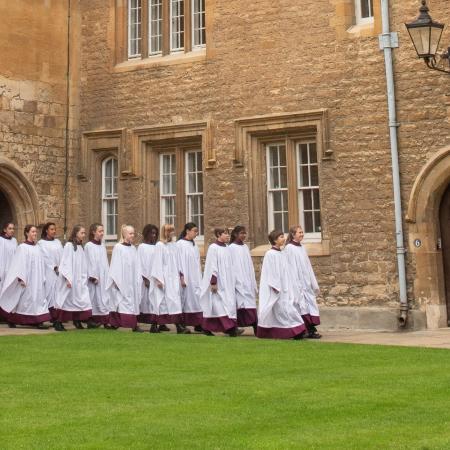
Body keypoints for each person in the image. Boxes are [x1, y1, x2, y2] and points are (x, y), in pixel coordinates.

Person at [257, 229, 306, 340]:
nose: (284, 239)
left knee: (288, 307)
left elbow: (286, 271)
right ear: (274, 240)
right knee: (282, 309)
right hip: (277, 289)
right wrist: (275, 286)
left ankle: (296, 330)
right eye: (280, 237)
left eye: (283, 236)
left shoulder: (282, 253)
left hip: (285, 287)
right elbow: (270, 272)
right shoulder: (270, 254)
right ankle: (294, 331)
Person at [0, 224, 50, 328]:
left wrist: (42, 277)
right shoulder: (22, 247)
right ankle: (19, 320)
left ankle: (36, 320)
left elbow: (41, 264)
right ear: (27, 233)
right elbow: (18, 264)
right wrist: (21, 278)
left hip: (37, 279)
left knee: (38, 299)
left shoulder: (38, 248)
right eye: (32, 232)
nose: (35, 234)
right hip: (27, 279)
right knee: (27, 300)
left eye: (36, 232)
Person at [200, 227, 242, 337]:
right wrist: (213, 282)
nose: (228, 235)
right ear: (218, 234)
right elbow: (212, 265)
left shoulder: (227, 248)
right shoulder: (213, 248)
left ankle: (214, 327)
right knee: (218, 305)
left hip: (227, 282)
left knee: (227, 304)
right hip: (218, 282)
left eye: (228, 233)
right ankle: (230, 329)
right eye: (225, 233)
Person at [284, 225, 321, 339]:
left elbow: (307, 266)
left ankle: (310, 329)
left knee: (309, 305)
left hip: (305, 283)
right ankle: (306, 330)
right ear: (293, 234)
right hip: (297, 283)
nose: (302, 234)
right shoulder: (289, 248)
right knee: (300, 306)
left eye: (302, 232)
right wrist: (297, 284)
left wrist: (312, 281)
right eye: (299, 232)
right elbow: (291, 267)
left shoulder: (302, 247)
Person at [54, 225, 92, 331]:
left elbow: (83, 265)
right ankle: (58, 322)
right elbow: (65, 263)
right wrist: (68, 279)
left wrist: (84, 278)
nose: (84, 235)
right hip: (70, 280)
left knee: (81, 300)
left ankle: (77, 320)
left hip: (79, 280)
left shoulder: (80, 247)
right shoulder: (69, 246)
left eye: (84, 233)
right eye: (82, 233)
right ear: (76, 233)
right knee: (66, 300)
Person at [150, 224, 187, 334]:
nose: (172, 233)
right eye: (169, 231)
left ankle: (179, 326)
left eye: (172, 231)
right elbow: (157, 262)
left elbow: (178, 262)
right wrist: (159, 279)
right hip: (163, 278)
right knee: (161, 302)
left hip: (173, 278)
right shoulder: (160, 245)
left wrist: (181, 276)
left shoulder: (173, 245)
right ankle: (155, 325)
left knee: (175, 302)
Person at [107, 225, 143, 332]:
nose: (132, 235)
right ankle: (128, 324)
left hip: (132, 280)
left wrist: (137, 278)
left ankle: (132, 323)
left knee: (132, 301)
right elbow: (115, 264)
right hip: (122, 280)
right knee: (122, 301)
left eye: (133, 233)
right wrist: (117, 281)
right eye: (130, 233)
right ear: (124, 234)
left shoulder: (133, 248)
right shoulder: (118, 247)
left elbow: (136, 265)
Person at [229, 225, 258, 335]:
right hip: (237, 279)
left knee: (250, 302)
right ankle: (235, 326)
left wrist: (251, 279)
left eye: (245, 233)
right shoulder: (231, 248)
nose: (244, 235)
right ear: (236, 234)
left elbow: (249, 264)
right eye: (241, 233)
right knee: (239, 303)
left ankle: (255, 325)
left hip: (247, 279)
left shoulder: (245, 247)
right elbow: (231, 265)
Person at [177, 222, 204, 332]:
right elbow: (178, 262)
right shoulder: (179, 245)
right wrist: (181, 277)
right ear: (187, 231)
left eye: (197, 231)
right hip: (185, 278)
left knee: (197, 300)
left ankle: (198, 323)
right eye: (194, 231)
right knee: (185, 300)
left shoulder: (194, 245)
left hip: (195, 278)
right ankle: (182, 324)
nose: (196, 233)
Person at [84, 223, 111, 328]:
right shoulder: (89, 246)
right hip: (94, 278)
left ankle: (105, 321)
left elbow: (105, 262)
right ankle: (91, 320)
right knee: (94, 298)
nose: (102, 233)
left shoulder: (102, 245)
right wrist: (92, 276)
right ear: (93, 232)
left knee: (104, 297)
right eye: (100, 231)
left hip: (103, 277)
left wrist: (107, 275)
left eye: (103, 231)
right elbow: (88, 262)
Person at [37, 222, 63, 323]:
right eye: (51, 229)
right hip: (48, 271)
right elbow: (44, 257)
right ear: (46, 230)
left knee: (58, 292)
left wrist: (61, 267)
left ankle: (57, 316)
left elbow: (62, 255)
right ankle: (48, 315)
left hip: (59, 271)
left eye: (55, 229)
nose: (54, 231)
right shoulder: (41, 243)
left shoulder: (57, 242)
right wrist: (54, 266)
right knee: (49, 292)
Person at [137, 224, 159, 332]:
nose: (154, 236)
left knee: (155, 301)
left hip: (155, 278)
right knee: (145, 301)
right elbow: (140, 263)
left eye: (155, 233)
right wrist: (145, 278)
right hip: (146, 278)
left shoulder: (157, 247)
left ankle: (155, 323)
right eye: (152, 233)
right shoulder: (142, 247)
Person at [0, 221, 18, 294]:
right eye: (10, 228)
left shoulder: (14, 241)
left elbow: (17, 256)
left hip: (12, 271)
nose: (12, 230)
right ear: (5, 230)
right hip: (2, 270)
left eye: (13, 229)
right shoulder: (1, 240)